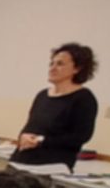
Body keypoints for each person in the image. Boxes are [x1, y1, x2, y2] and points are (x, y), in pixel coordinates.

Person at [11, 43, 99, 171]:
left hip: (51, 166)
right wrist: (22, 137)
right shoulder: (42, 95)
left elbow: (81, 136)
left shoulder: (84, 98)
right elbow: (30, 126)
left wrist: (41, 140)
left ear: (77, 68)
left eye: (60, 64)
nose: (53, 68)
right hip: (21, 161)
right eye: (51, 63)